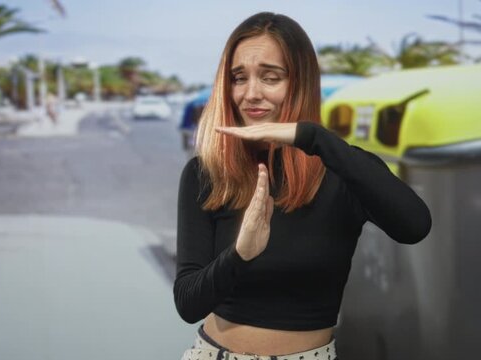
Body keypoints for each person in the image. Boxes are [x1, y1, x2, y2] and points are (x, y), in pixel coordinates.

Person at [174, 12, 432, 360]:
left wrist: (311, 137)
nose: (251, 93)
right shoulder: (206, 173)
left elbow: (415, 225)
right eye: (239, 78)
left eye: (270, 77)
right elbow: (188, 303)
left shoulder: (342, 170)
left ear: (300, 82)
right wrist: (241, 255)